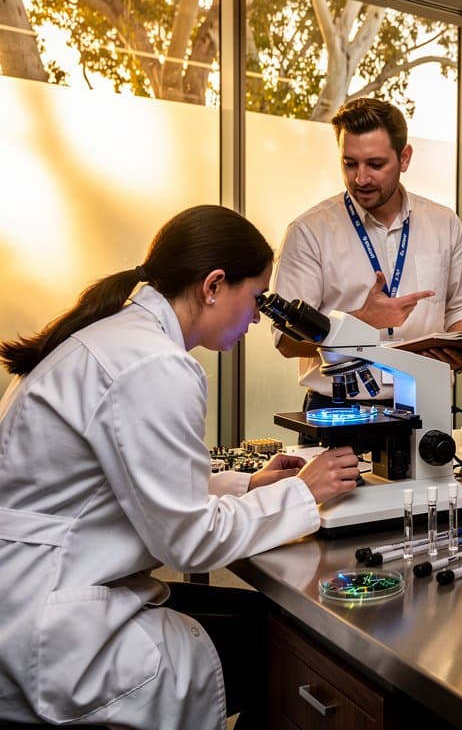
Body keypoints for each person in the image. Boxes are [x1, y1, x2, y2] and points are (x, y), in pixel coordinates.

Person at [0, 205, 361, 729]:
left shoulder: (116, 335)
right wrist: (303, 494)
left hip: (37, 593)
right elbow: (187, 541)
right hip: (51, 629)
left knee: (265, 623)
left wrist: (250, 484)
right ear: (214, 285)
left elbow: (122, 486)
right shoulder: (155, 364)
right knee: (282, 649)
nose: (259, 317)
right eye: (256, 298)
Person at [272, 97, 462, 413]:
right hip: (338, 412)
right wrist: (361, 320)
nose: (360, 178)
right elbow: (286, 341)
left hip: (427, 405)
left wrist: (461, 347)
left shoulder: (444, 223)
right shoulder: (308, 231)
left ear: (405, 157)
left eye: (375, 164)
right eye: (349, 163)